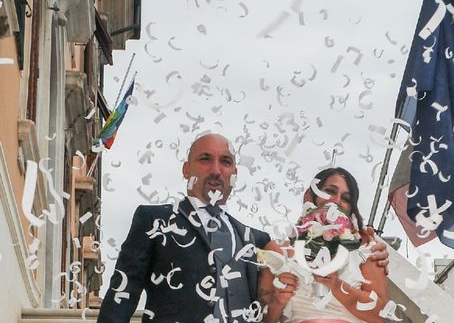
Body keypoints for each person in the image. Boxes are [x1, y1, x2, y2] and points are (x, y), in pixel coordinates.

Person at [98, 134, 388, 323]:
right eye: (205, 159)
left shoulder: (256, 240)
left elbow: (267, 305)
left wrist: (364, 244)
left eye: (225, 162)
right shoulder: (154, 219)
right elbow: (123, 290)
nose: (216, 169)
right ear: (186, 169)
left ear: (234, 175)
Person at [257, 168, 389, 323]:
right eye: (330, 191)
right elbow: (262, 319)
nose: (336, 201)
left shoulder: (367, 250)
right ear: (309, 195)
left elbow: (380, 315)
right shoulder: (277, 250)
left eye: (346, 199)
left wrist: (336, 285)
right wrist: (277, 301)